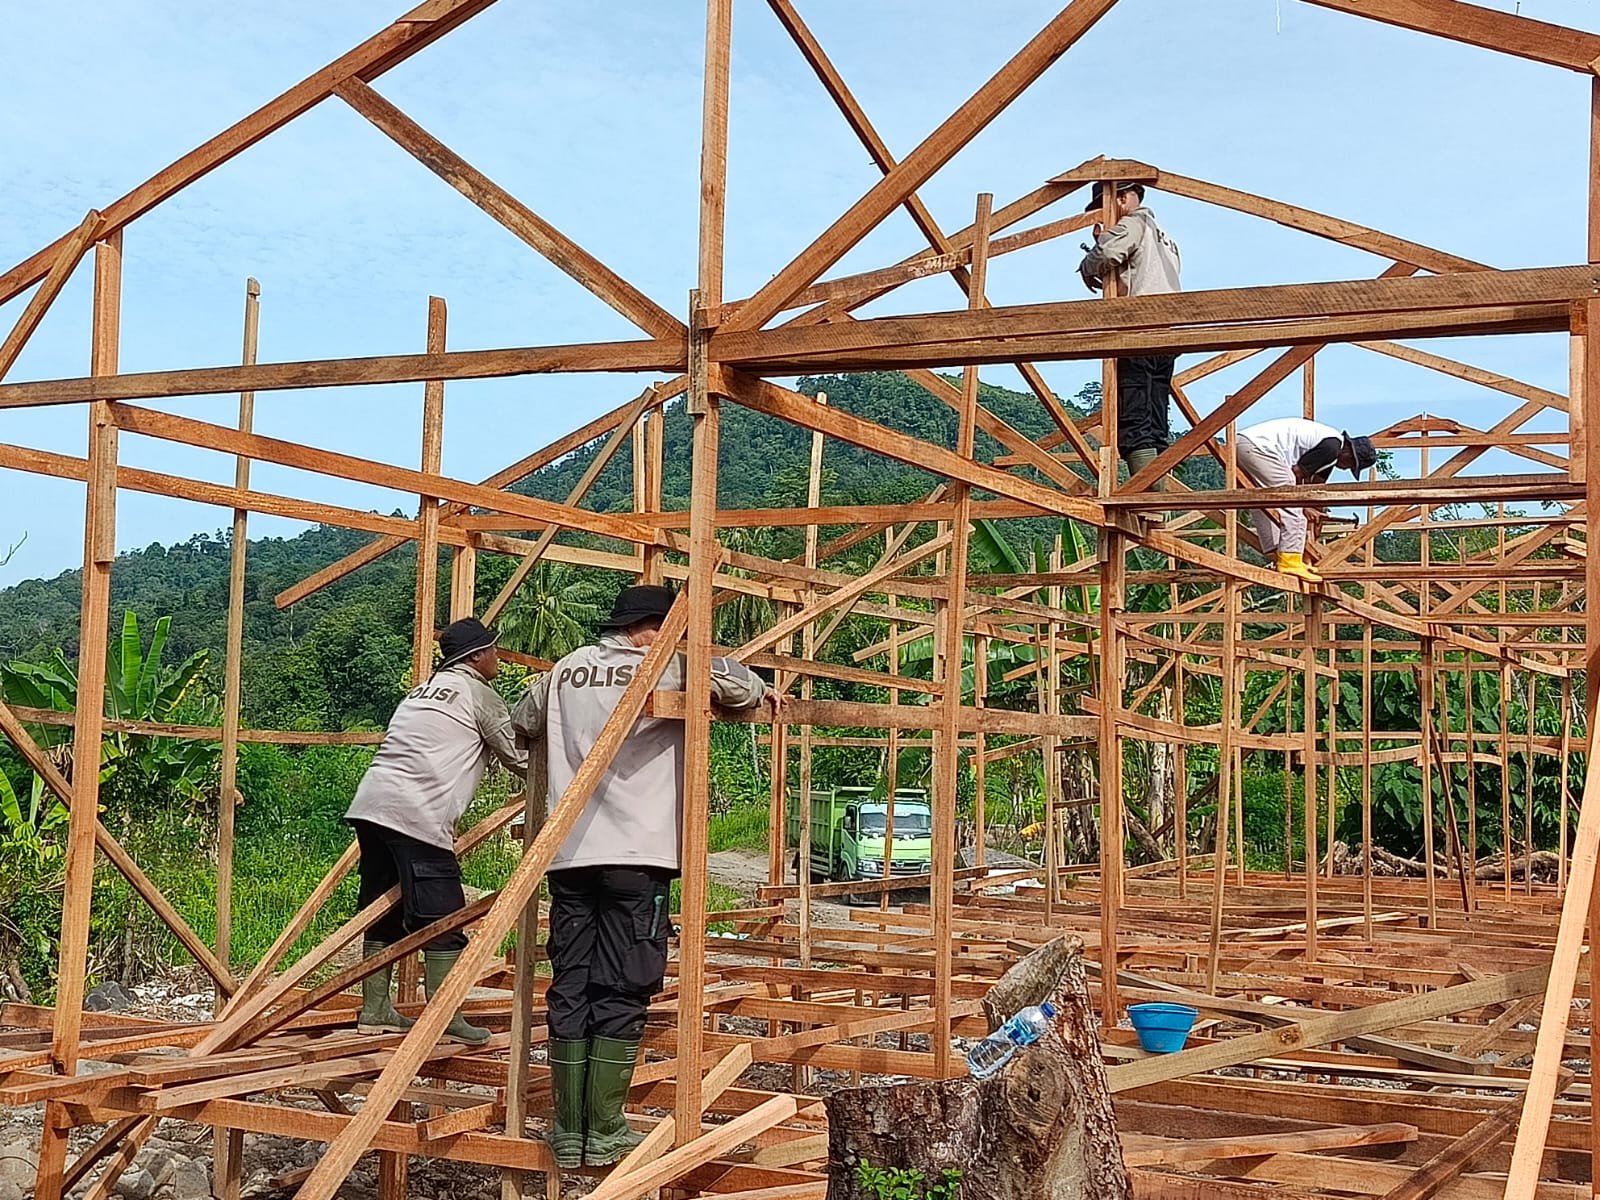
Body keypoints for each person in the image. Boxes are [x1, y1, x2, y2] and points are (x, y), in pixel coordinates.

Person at [511, 584, 771, 1169]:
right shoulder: (667, 666)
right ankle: (604, 1129)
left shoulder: (563, 671)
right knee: (624, 984)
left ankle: (567, 1128)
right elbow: (743, 688)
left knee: (571, 981)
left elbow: (522, 721)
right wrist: (699, 659)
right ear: (650, 628)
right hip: (636, 854)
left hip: (569, 854)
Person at [345, 616, 527, 1046]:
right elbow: (517, 757)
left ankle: (375, 1010)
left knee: (383, 912)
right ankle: (445, 1018)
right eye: (493, 650)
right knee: (445, 917)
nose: (498, 657)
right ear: (476, 657)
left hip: (372, 806)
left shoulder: (420, 692)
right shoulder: (479, 695)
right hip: (418, 815)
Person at [1077, 180, 1183, 486]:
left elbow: (1108, 253)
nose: (1101, 216)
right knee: (1155, 418)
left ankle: (1149, 495)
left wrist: (1088, 263)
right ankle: (1157, 495)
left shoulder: (1134, 224)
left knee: (1134, 418)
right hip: (1167, 334)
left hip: (1140, 331)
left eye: (1102, 207)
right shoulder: (1166, 238)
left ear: (1120, 198)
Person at [1232, 417, 1377, 583]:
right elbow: (1297, 475)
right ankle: (1290, 560)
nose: (1346, 468)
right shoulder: (1331, 448)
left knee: (1263, 497)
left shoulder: (1330, 454)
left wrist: (1316, 515)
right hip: (1258, 448)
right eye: (1351, 463)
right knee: (1289, 495)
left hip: (1246, 445)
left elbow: (1314, 490)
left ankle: (1275, 549)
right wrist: (1304, 508)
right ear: (1348, 452)